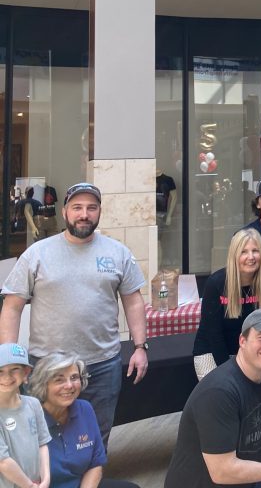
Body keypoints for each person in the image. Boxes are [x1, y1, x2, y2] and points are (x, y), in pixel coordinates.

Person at [0, 182, 148, 448]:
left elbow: (133, 301)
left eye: (91, 208)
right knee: (45, 439)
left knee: (96, 437)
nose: (84, 214)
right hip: (47, 366)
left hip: (102, 365)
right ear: (65, 211)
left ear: (100, 212)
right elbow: (12, 307)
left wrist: (140, 346)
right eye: (77, 207)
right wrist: (8, 359)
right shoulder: (37, 254)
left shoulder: (118, 253)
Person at [165, 309, 261, 488]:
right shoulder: (219, 392)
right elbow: (222, 471)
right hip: (209, 482)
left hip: (249, 477)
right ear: (242, 341)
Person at [29, 352, 139, 488]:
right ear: (43, 385)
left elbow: (95, 462)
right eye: (59, 379)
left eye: (74, 377)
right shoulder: (30, 420)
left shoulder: (84, 409)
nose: (69, 385)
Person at [193, 228, 261, 370]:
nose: (251, 257)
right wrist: (229, 371)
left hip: (250, 350)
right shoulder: (216, 283)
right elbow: (213, 333)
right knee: (223, 389)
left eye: (255, 251)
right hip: (212, 351)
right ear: (234, 255)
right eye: (244, 252)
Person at [0, 344, 50, 488]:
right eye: (0, 371)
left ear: (26, 372)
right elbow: (3, 462)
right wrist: (29, 485)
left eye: (14, 369)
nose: (7, 377)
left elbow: (42, 443)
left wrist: (46, 478)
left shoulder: (33, 404)